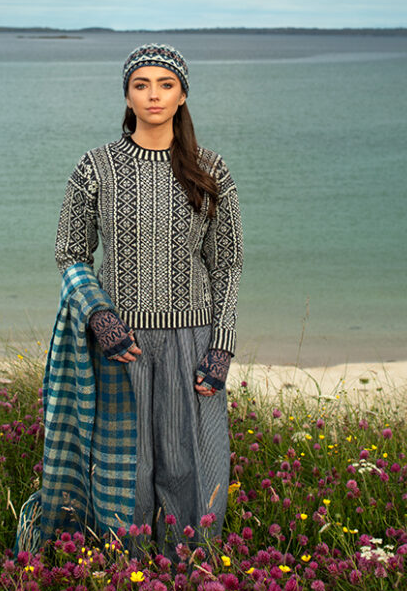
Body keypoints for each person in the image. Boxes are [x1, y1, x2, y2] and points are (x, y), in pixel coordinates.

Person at [17, 43, 243, 554]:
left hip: (193, 339)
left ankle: (192, 568)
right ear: (127, 95)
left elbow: (226, 263)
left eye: (165, 84)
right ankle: (125, 566)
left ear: (183, 94)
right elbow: (70, 252)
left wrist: (223, 344)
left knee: (192, 462)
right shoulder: (95, 166)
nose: (154, 95)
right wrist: (101, 319)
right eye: (142, 85)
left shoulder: (211, 170)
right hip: (121, 345)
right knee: (127, 470)